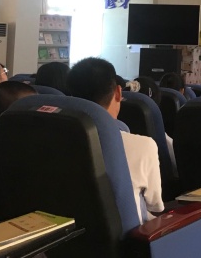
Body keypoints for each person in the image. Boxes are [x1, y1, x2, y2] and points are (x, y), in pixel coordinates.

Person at [67, 57, 164, 223]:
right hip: (130, 237)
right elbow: (155, 205)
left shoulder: (56, 140)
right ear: (118, 92)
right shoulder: (143, 146)